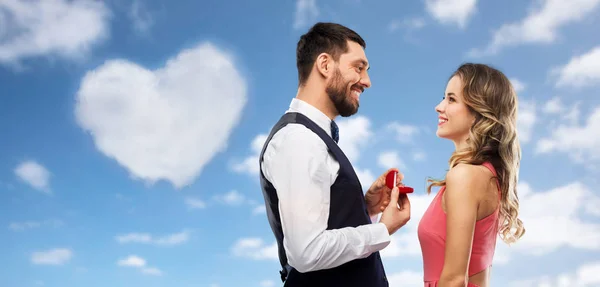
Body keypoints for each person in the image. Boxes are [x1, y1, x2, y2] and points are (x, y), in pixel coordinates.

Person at [258, 22, 411, 287]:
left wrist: (365, 209)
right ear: (325, 65)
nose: (367, 81)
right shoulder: (299, 139)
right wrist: (382, 230)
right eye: (358, 67)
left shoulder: (312, 138)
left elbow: (324, 226)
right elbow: (306, 252)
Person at [417, 63, 526, 287]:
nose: (439, 107)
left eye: (451, 99)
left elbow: (456, 279)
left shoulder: (465, 176)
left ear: (480, 111)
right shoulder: (487, 175)